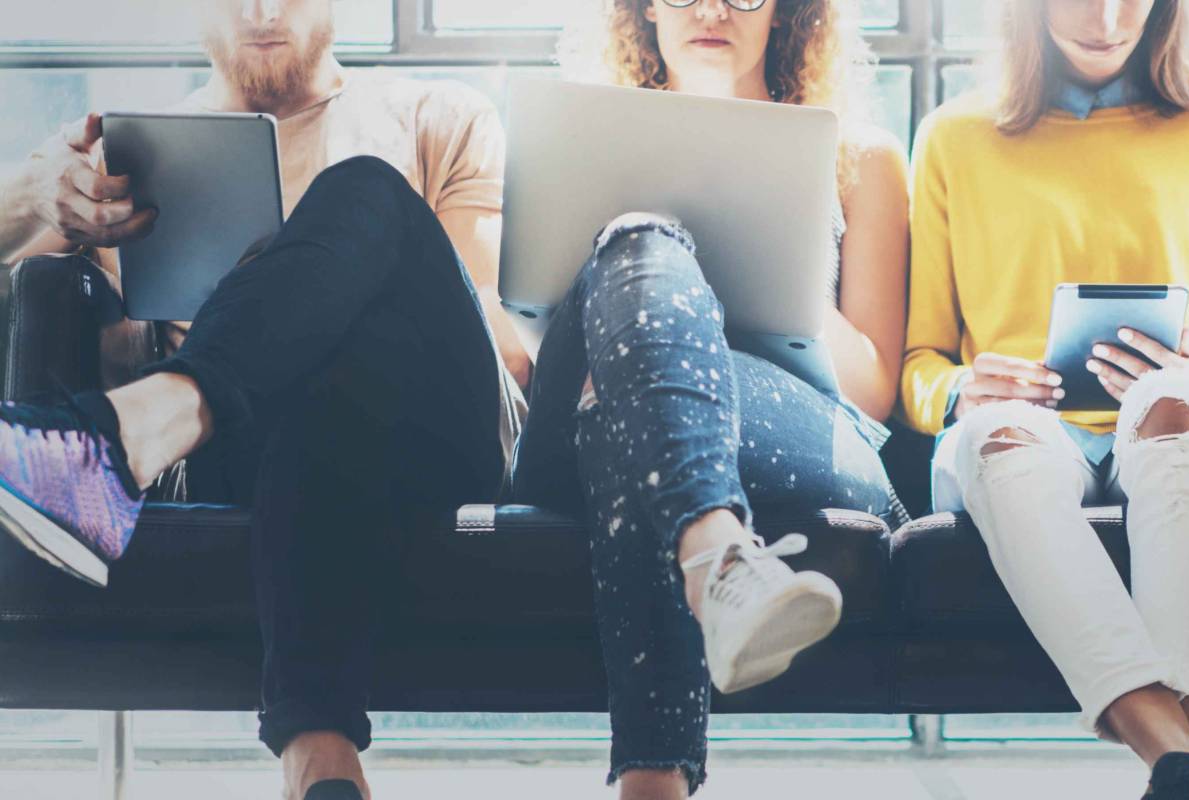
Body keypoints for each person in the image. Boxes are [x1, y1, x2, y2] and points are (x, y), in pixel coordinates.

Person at [0, 0, 529, 797]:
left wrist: (331, 269)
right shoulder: (128, 156)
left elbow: (499, 351)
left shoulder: (438, 116)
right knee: (308, 396)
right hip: (240, 454)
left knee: (366, 194)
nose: (259, 10)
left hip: (426, 435)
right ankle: (320, 766)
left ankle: (124, 439)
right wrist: (41, 195)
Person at [505, 0, 911, 796]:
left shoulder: (860, 159)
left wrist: (769, 246)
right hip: (586, 402)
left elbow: (874, 387)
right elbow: (524, 348)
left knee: (627, 420)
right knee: (642, 238)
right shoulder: (583, 143)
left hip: (800, 428)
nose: (713, 10)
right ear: (644, 9)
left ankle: (652, 780)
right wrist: (648, 275)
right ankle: (719, 556)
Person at [899, 1, 1189, 798]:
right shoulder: (956, 137)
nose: (1108, 16)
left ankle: (1186, 758)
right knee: (999, 433)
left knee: (1164, 401)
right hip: (1028, 430)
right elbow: (919, 363)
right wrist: (958, 389)